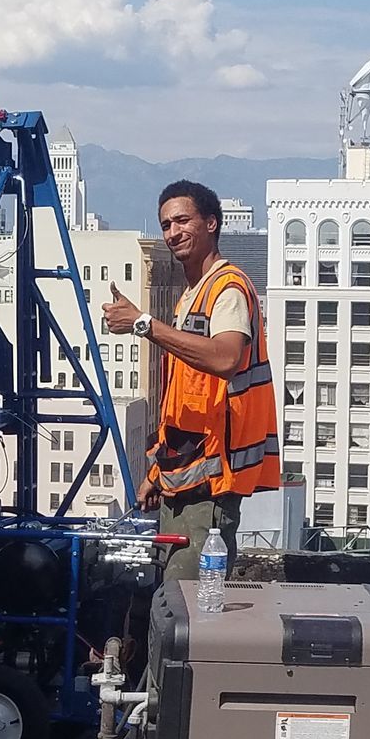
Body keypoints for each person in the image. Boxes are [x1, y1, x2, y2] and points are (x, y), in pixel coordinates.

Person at [101, 180, 279, 582]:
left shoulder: (227, 289)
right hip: (187, 479)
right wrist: (157, 473)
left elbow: (226, 358)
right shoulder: (191, 296)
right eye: (166, 225)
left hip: (212, 487)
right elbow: (185, 399)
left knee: (186, 609)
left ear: (211, 223)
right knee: (170, 604)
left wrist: (144, 324)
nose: (172, 232)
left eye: (183, 221)